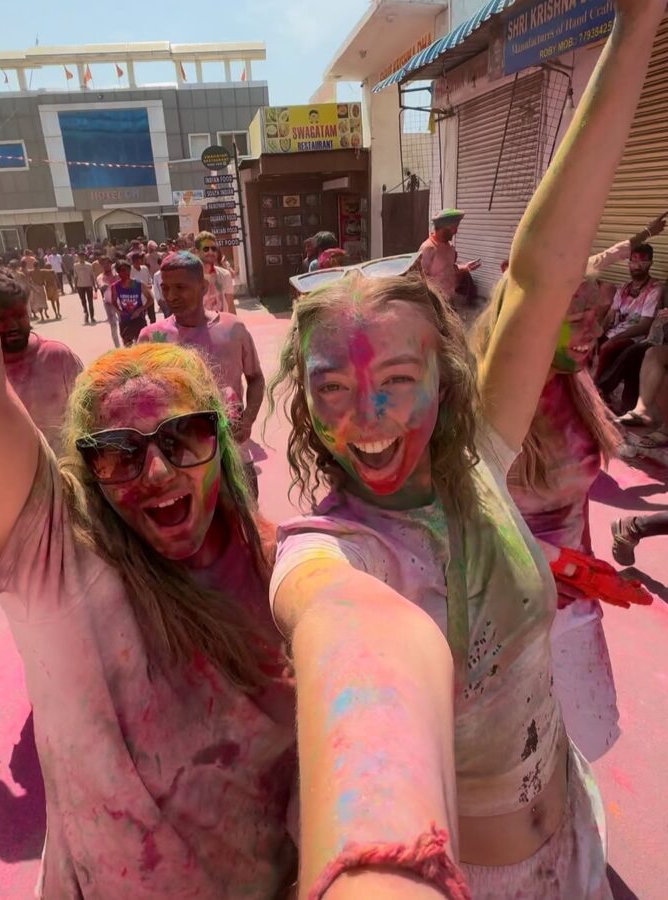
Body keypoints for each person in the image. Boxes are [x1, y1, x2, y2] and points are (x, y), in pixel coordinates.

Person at [265, 3, 664, 895]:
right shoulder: (337, 557)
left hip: (574, 838)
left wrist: (637, 24)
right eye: (332, 387)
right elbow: (355, 664)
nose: (365, 418)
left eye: (396, 380)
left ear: (448, 382)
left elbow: (542, 270)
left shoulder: (477, 457)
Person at [0, 222, 297, 898]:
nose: (158, 471)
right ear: (84, 470)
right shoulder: (63, 565)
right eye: (118, 451)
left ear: (220, 442)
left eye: (184, 437)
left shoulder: (282, 565)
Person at [472, 278, 622, 762]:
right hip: (510, 620)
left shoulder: (571, 381)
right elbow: (461, 519)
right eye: (575, 319)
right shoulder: (490, 400)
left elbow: (576, 501)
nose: (592, 330)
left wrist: (589, 578)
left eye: (595, 316)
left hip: (573, 609)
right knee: (519, 770)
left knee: (582, 749)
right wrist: (550, 563)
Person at [0, 263, 82, 524]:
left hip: (64, 496)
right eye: (1, 319)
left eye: (19, 315)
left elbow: (91, 419)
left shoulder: (57, 358)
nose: (13, 325)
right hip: (0, 511)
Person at [139, 251, 265, 498]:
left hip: (233, 453)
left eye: (180, 287)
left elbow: (256, 378)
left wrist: (248, 420)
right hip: (180, 461)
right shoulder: (151, 338)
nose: (172, 296)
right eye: (165, 288)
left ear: (203, 287)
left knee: (246, 521)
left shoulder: (232, 329)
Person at [595, 243, 663, 384]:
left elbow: (644, 325)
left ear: (650, 264)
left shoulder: (655, 289)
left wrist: (613, 339)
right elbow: (609, 315)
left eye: (642, 262)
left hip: (635, 337)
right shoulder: (623, 288)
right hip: (614, 332)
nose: (636, 266)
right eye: (633, 261)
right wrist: (598, 333)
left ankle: (598, 388)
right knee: (588, 344)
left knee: (608, 349)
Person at [419, 209, 481, 304]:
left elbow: (449, 269)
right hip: (434, 301)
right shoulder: (428, 248)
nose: (456, 231)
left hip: (449, 299)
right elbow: (420, 277)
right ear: (442, 228)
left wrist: (465, 267)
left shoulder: (450, 247)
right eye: (453, 227)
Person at [108, 258, 152, 346]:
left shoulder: (139, 284)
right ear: (118, 273)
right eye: (122, 271)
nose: (126, 273)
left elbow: (150, 299)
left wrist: (139, 310)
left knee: (142, 344)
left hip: (139, 318)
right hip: (125, 320)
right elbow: (113, 301)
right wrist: (119, 312)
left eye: (128, 270)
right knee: (127, 345)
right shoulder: (115, 287)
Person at [195, 232, 236, 314]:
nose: (211, 252)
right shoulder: (189, 277)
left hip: (221, 325)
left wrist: (235, 325)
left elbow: (231, 306)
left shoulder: (225, 275)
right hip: (199, 326)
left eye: (214, 249)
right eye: (206, 249)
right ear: (197, 252)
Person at [95, 256, 120, 349]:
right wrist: (104, 285)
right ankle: (117, 347)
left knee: (123, 322)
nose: (106, 265)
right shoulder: (100, 277)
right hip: (108, 303)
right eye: (103, 264)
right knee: (113, 325)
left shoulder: (117, 275)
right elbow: (101, 285)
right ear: (101, 265)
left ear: (111, 264)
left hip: (119, 302)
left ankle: (127, 342)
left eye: (108, 263)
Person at [129, 250, 157, 323]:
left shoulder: (144, 268)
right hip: (138, 298)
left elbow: (149, 279)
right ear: (133, 261)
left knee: (152, 317)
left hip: (148, 295)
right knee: (141, 318)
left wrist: (150, 284)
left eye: (140, 259)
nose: (139, 261)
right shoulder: (130, 271)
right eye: (137, 259)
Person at [73, 251, 97, 324]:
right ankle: (86, 313)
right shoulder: (76, 266)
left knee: (90, 301)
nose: (81, 258)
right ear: (78, 257)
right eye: (80, 257)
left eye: (82, 256)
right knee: (83, 301)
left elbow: (92, 276)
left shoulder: (89, 265)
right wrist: (75, 286)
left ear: (84, 257)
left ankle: (92, 316)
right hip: (80, 286)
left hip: (88, 285)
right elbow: (75, 276)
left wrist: (94, 285)